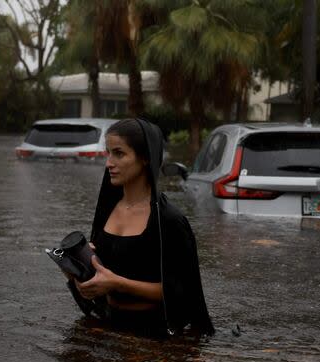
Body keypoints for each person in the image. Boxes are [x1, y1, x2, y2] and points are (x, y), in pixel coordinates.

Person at [71, 118, 214, 337]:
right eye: (108, 152)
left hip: (152, 334)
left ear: (145, 157)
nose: (109, 163)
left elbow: (182, 294)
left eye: (119, 153)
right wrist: (78, 267)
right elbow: (103, 276)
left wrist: (117, 283)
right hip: (108, 324)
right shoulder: (108, 209)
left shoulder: (168, 220)